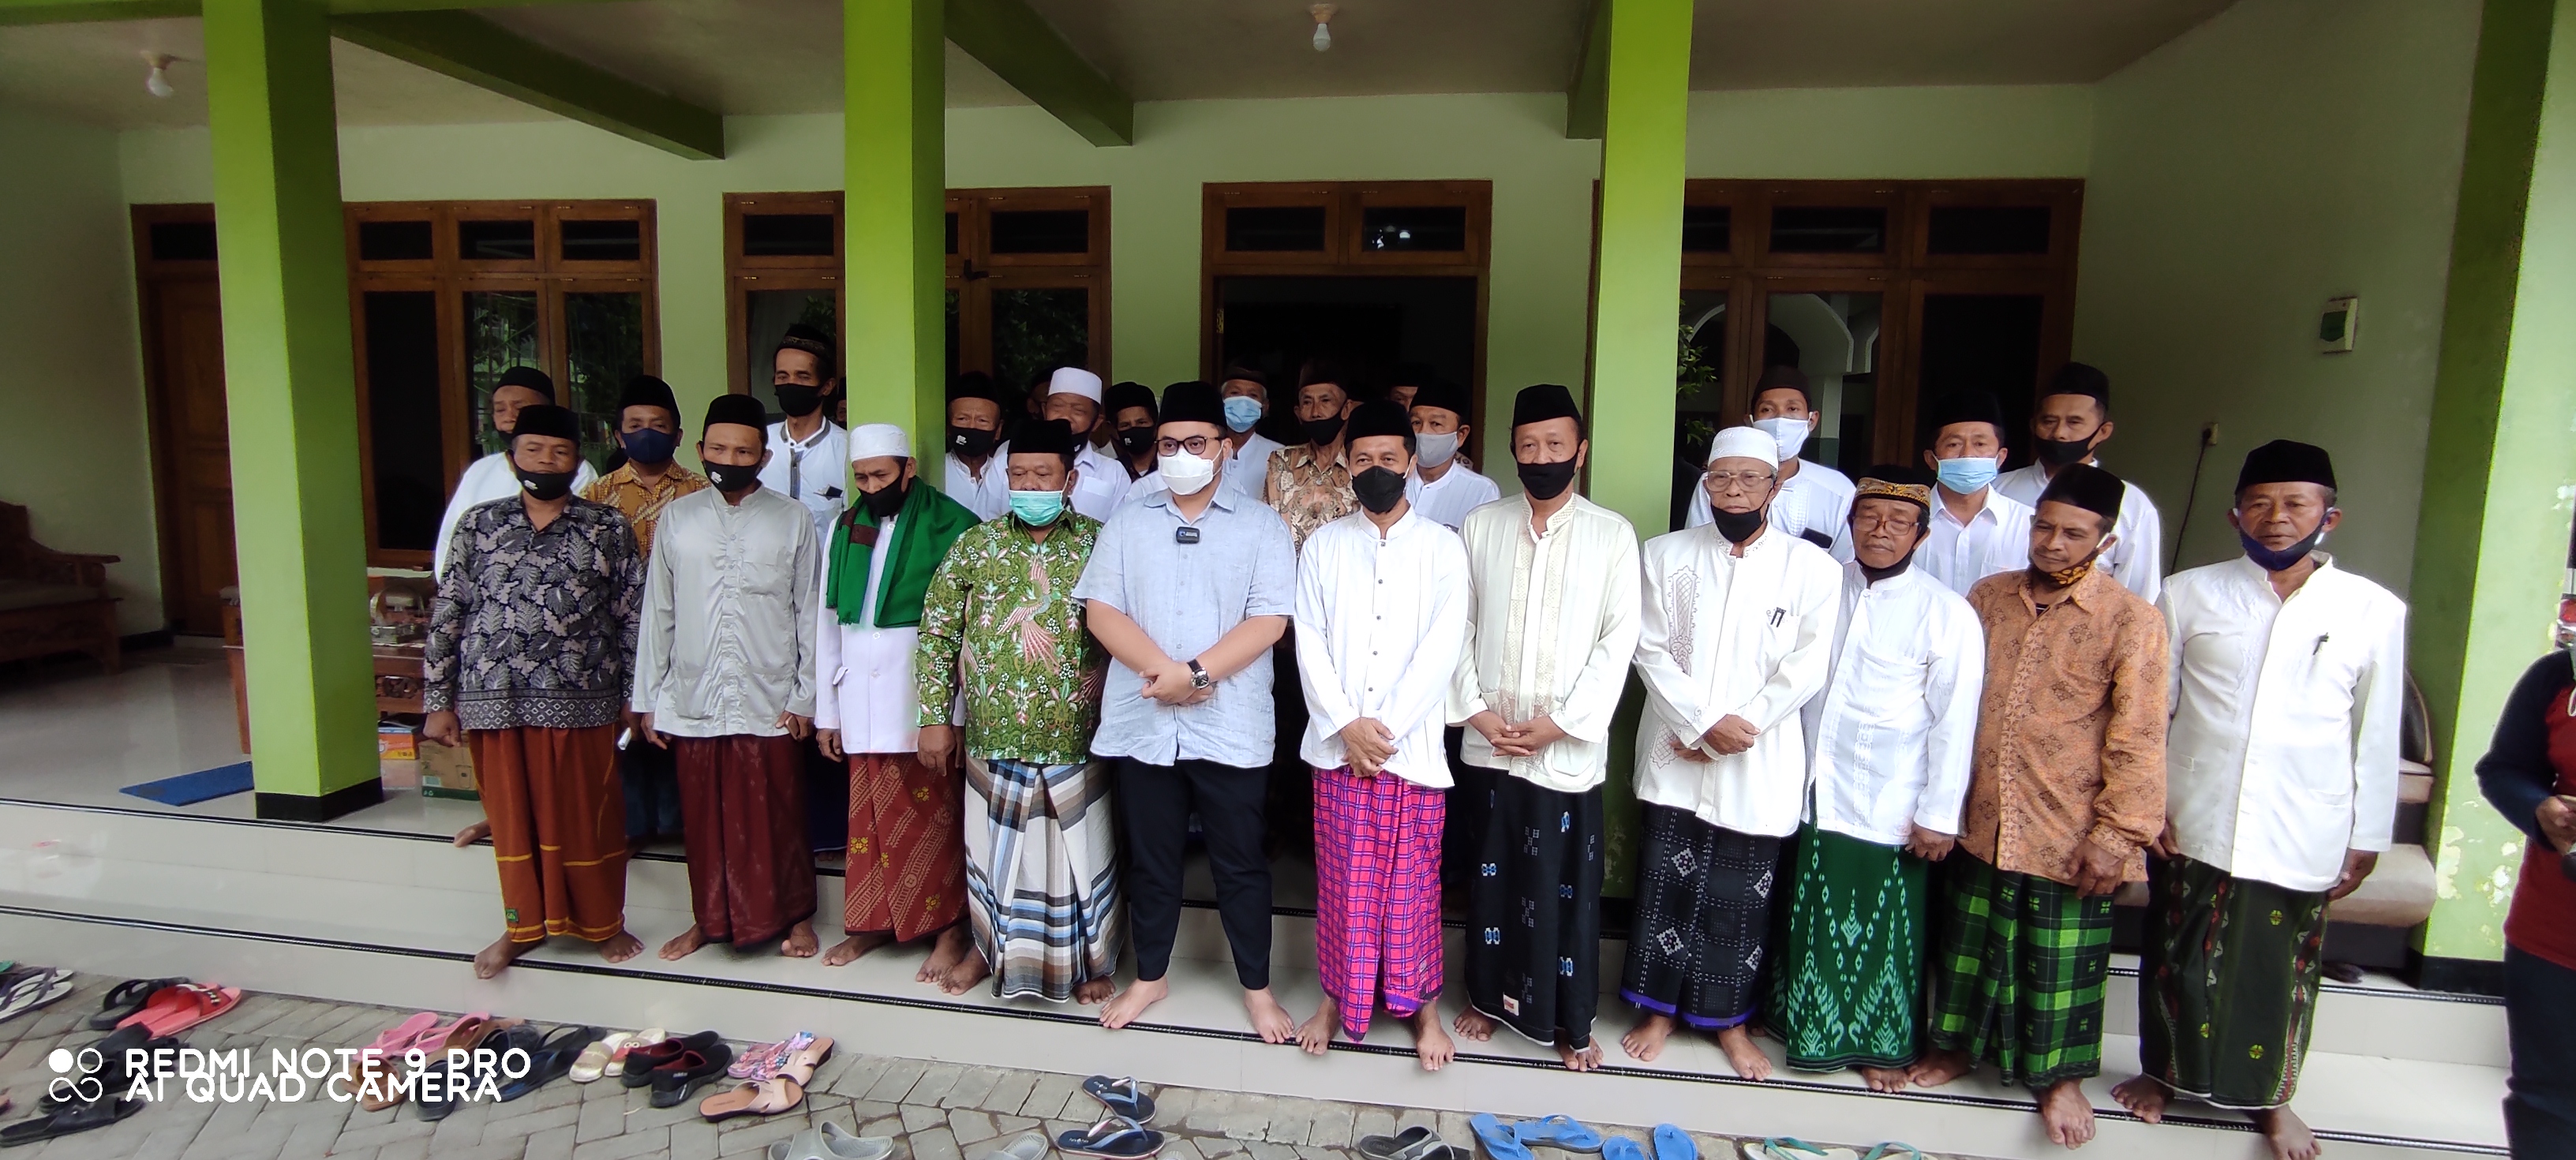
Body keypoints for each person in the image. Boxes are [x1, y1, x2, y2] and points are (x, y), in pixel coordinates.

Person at [2113, 440, 2401, 1160]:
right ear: (2234, 512)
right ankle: (2163, 1073)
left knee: (2279, 966)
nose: (2277, 519)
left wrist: (2368, 833)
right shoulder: (2188, 592)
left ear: (2329, 516)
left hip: (2305, 817)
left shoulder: (2371, 609)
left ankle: (2273, 1098)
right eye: (2261, 503)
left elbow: (2376, 731)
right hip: (2197, 809)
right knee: (2178, 950)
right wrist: (2149, 804)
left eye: (2295, 504)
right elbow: (2154, 711)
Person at [1910, 462, 2169, 1150]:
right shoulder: (1989, 597)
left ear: (2105, 541)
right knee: (1968, 943)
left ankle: (2058, 1078)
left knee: (2058, 959)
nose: (2052, 543)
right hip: (1985, 809)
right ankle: (1956, 1047)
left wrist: (2120, 833)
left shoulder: (2132, 621)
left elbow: (2140, 733)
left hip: (2070, 820)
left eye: (2073, 533)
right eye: (2045, 526)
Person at [1074, 381, 1300, 1042]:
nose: (1180, 454)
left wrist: (1195, 674)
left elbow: (1269, 620)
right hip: (1145, 719)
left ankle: (1256, 990)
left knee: (1240, 861)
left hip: (1229, 722)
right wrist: (1164, 676)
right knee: (1152, 857)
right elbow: (1102, 610)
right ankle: (1151, 975)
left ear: (1224, 450)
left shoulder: (1261, 525)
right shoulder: (1130, 517)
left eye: (1195, 443)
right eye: (1170, 443)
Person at [1622, 425, 1842, 1080]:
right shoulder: (1662, 555)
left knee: (1738, 900)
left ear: (1775, 488)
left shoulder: (1814, 569)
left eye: (1750, 478)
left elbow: (1807, 666)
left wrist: (1740, 726)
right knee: (1667, 884)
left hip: (1758, 755)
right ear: (1705, 484)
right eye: (1722, 478)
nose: (1735, 490)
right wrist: (1699, 724)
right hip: (1675, 749)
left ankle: (1730, 1023)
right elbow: (1648, 647)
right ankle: (1658, 1011)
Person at [1769, 467, 1984, 1091]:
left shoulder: (1945, 613)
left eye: (1898, 522)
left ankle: (1874, 1045)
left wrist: (1940, 813)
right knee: (1803, 912)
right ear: (1850, 522)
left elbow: (1954, 720)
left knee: (1881, 927)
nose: (1881, 532)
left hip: (1890, 799)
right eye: (1869, 517)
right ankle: (1793, 1020)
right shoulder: (1819, 589)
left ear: (1920, 536)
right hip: (1811, 786)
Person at [1448, 384, 1642, 1072]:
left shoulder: (1612, 534)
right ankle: (1484, 997)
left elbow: (1618, 642)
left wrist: (1559, 724)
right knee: (1490, 878)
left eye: (1556, 445)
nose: (1542, 457)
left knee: (1562, 888)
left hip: (1565, 750)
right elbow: (1457, 626)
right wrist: (1477, 711)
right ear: (1511, 450)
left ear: (1580, 451)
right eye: (1528, 445)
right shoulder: (1482, 525)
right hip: (1491, 738)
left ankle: (1568, 1019)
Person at [421, 403, 643, 978]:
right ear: (513, 456)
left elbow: (632, 618)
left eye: (560, 452)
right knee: (515, 822)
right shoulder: (479, 525)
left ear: (578, 461)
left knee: (585, 817)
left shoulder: (605, 527)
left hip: (583, 697)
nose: (546, 461)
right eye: (534, 450)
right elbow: (450, 611)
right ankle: (522, 927)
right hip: (494, 699)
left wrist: (633, 696)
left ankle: (602, 925)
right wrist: (436, 702)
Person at [914, 418, 1122, 1005]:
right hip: (993, 735)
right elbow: (936, 634)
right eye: (1019, 475)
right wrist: (935, 715)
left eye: (1043, 475)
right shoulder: (976, 546)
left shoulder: (1102, 542)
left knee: (1080, 858)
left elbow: (1132, 630)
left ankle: (1092, 961)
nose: (1029, 485)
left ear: (1070, 479)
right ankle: (989, 954)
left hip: (1078, 737)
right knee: (996, 860)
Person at [1290, 401, 1472, 1070]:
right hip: (1338, 752)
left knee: (1413, 887)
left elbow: (1442, 648)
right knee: (1342, 884)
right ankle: (1337, 1001)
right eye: (1362, 460)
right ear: (1350, 467)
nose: (1375, 470)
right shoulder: (1323, 545)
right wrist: (1345, 726)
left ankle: (1423, 1010)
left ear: (1410, 462)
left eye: (1387, 459)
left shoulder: (1443, 548)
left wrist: (1382, 732)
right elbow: (1308, 640)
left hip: (1410, 755)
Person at [631, 394, 824, 963]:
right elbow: (658, 612)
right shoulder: (679, 519)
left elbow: (810, 611)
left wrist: (805, 696)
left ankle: (796, 916)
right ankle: (708, 921)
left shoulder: (792, 519)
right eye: (718, 448)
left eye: (743, 450)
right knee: (704, 818)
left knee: (779, 814)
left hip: (771, 696)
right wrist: (649, 699)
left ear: (763, 458)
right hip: (695, 694)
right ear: (700, 450)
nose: (729, 458)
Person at [813, 423, 983, 980]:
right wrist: (827, 713)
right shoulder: (847, 526)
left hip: (920, 700)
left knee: (931, 819)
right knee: (868, 822)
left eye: (882, 475)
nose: (871, 485)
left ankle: (949, 929)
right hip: (858, 697)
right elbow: (827, 622)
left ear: (909, 469)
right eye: (861, 477)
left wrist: (953, 716)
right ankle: (872, 924)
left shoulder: (953, 526)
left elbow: (967, 631)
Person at [578, 375, 707, 852]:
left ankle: (677, 820)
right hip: (618, 630)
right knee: (628, 725)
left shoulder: (700, 491)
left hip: (688, 626)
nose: (646, 432)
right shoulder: (594, 497)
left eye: (658, 424)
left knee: (678, 724)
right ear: (618, 435)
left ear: (677, 434)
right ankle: (632, 824)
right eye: (635, 425)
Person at [2476, 642, 2576, 1159]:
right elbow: (2505, 769)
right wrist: (2541, 810)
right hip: (2554, 934)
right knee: (2549, 1100)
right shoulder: (2560, 674)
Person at [1994, 363, 2166, 602]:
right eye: (2049, 421)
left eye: (2074, 422)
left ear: (2103, 431)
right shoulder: (1997, 489)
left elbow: (2139, 595)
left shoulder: (2131, 503)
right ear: (2033, 425)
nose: (2059, 433)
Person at [432, 366, 598, 580]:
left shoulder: (575, 471)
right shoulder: (480, 470)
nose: (509, 417)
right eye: (500, 410)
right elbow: (451, 537)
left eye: (519, 407)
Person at [1684, 366, 1855, 555]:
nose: (1780, 419)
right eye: (1767, 410)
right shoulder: (1716, 482)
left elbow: (1843, 567)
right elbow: (1697, 551)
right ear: (1751, 422)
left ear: (1811, 420)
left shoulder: (1838, 490)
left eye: (1792, 409)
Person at [1917, 390, 2034, 596]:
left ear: (2000, 457)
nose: (1968, 454)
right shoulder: (1905, 522)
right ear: (1930, 459)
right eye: (1953, 444)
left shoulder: (2027, 525)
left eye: (1980, 444)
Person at [762, 324, 851, 544]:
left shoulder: (847, 450)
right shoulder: (757, 444)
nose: (791, 384)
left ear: (827, 386)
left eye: (802, 377)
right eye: (783, 376)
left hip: (823, 576)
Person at [1266, 361, 1361, 551]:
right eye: (1307, 402)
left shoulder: (1362, 462)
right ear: (1298, 412)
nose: (1316, 412)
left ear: (1347, 408)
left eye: (1326, 401)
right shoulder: (1282, 461)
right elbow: (1268, 529)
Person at [1403, 379, 1500, 531]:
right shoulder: (1394, 481)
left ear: (1461, 435)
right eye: (1416, 422)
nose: (1423, 432)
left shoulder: (1481, 490)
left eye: (1435, 424)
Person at [1040, 367, 1132, 522]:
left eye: (1078, 411)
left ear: (1096, 423)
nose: (1065, 417)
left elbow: (1121, 531)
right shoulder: (1005, 464)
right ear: (1044, 410)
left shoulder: (1113, 473)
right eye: (1057, 407)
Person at [943, 371, 1013, 521]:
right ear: (948, 427)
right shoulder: (935, 471)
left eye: (982, 421)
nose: (972, 426)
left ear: (998, 430)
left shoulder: (1006, 472)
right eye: (962, 419)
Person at [1220, 367, 1287, 486]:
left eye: (1252, 396)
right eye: (1235, 393)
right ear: (1221, 401)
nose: (1243, 403)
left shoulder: (1279, 455)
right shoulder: (1203, 451)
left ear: (1265, 407)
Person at [1105, 381, 1159, 481]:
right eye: (1125, 425)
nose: (1134, 429)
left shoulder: (1172, 465)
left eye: (1142, 422)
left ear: (1156, 424)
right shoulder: (1107, 471)